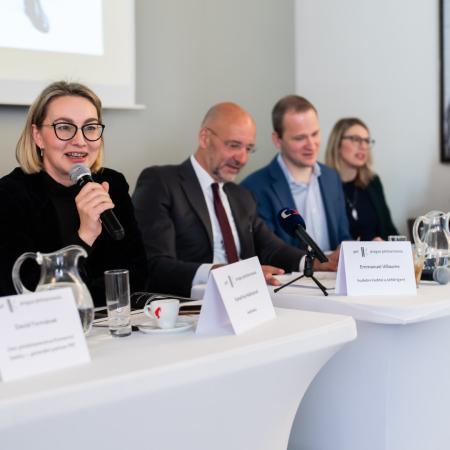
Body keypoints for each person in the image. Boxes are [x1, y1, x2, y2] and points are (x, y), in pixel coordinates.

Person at [132, 102, 334, 298]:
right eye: (234, 145)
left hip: (247, 302)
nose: (242, 159)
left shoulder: (241, 196)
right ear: (205, 138)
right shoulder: (162, 183)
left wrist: (316, 262)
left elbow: (271, 248)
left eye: (248, 148)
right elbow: (156, 265)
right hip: (189, 306)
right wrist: (226, 273)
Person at [0, 81, 147, 306]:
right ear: (38, 136)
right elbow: (20, 292)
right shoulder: (10, 195)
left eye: (90, 128)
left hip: (111, 322)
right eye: (64, 127)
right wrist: (84, 236)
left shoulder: (112, 184)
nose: (80, 141)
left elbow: (135, 276)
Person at [241, 95, 351, 255]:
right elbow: (267, 254)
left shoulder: (331, 177)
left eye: (315, 134)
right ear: (277, 140)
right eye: (300, 138)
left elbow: (343, 238)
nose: (311, 145)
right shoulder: (253, 189)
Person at [325, 117, 398, 240]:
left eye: (366, 141)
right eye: (355, 139)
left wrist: (386, 244)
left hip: (378, 252)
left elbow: (390, 231)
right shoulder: (323, 186)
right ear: (337, 144)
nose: (363, 146)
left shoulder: (373, 182)